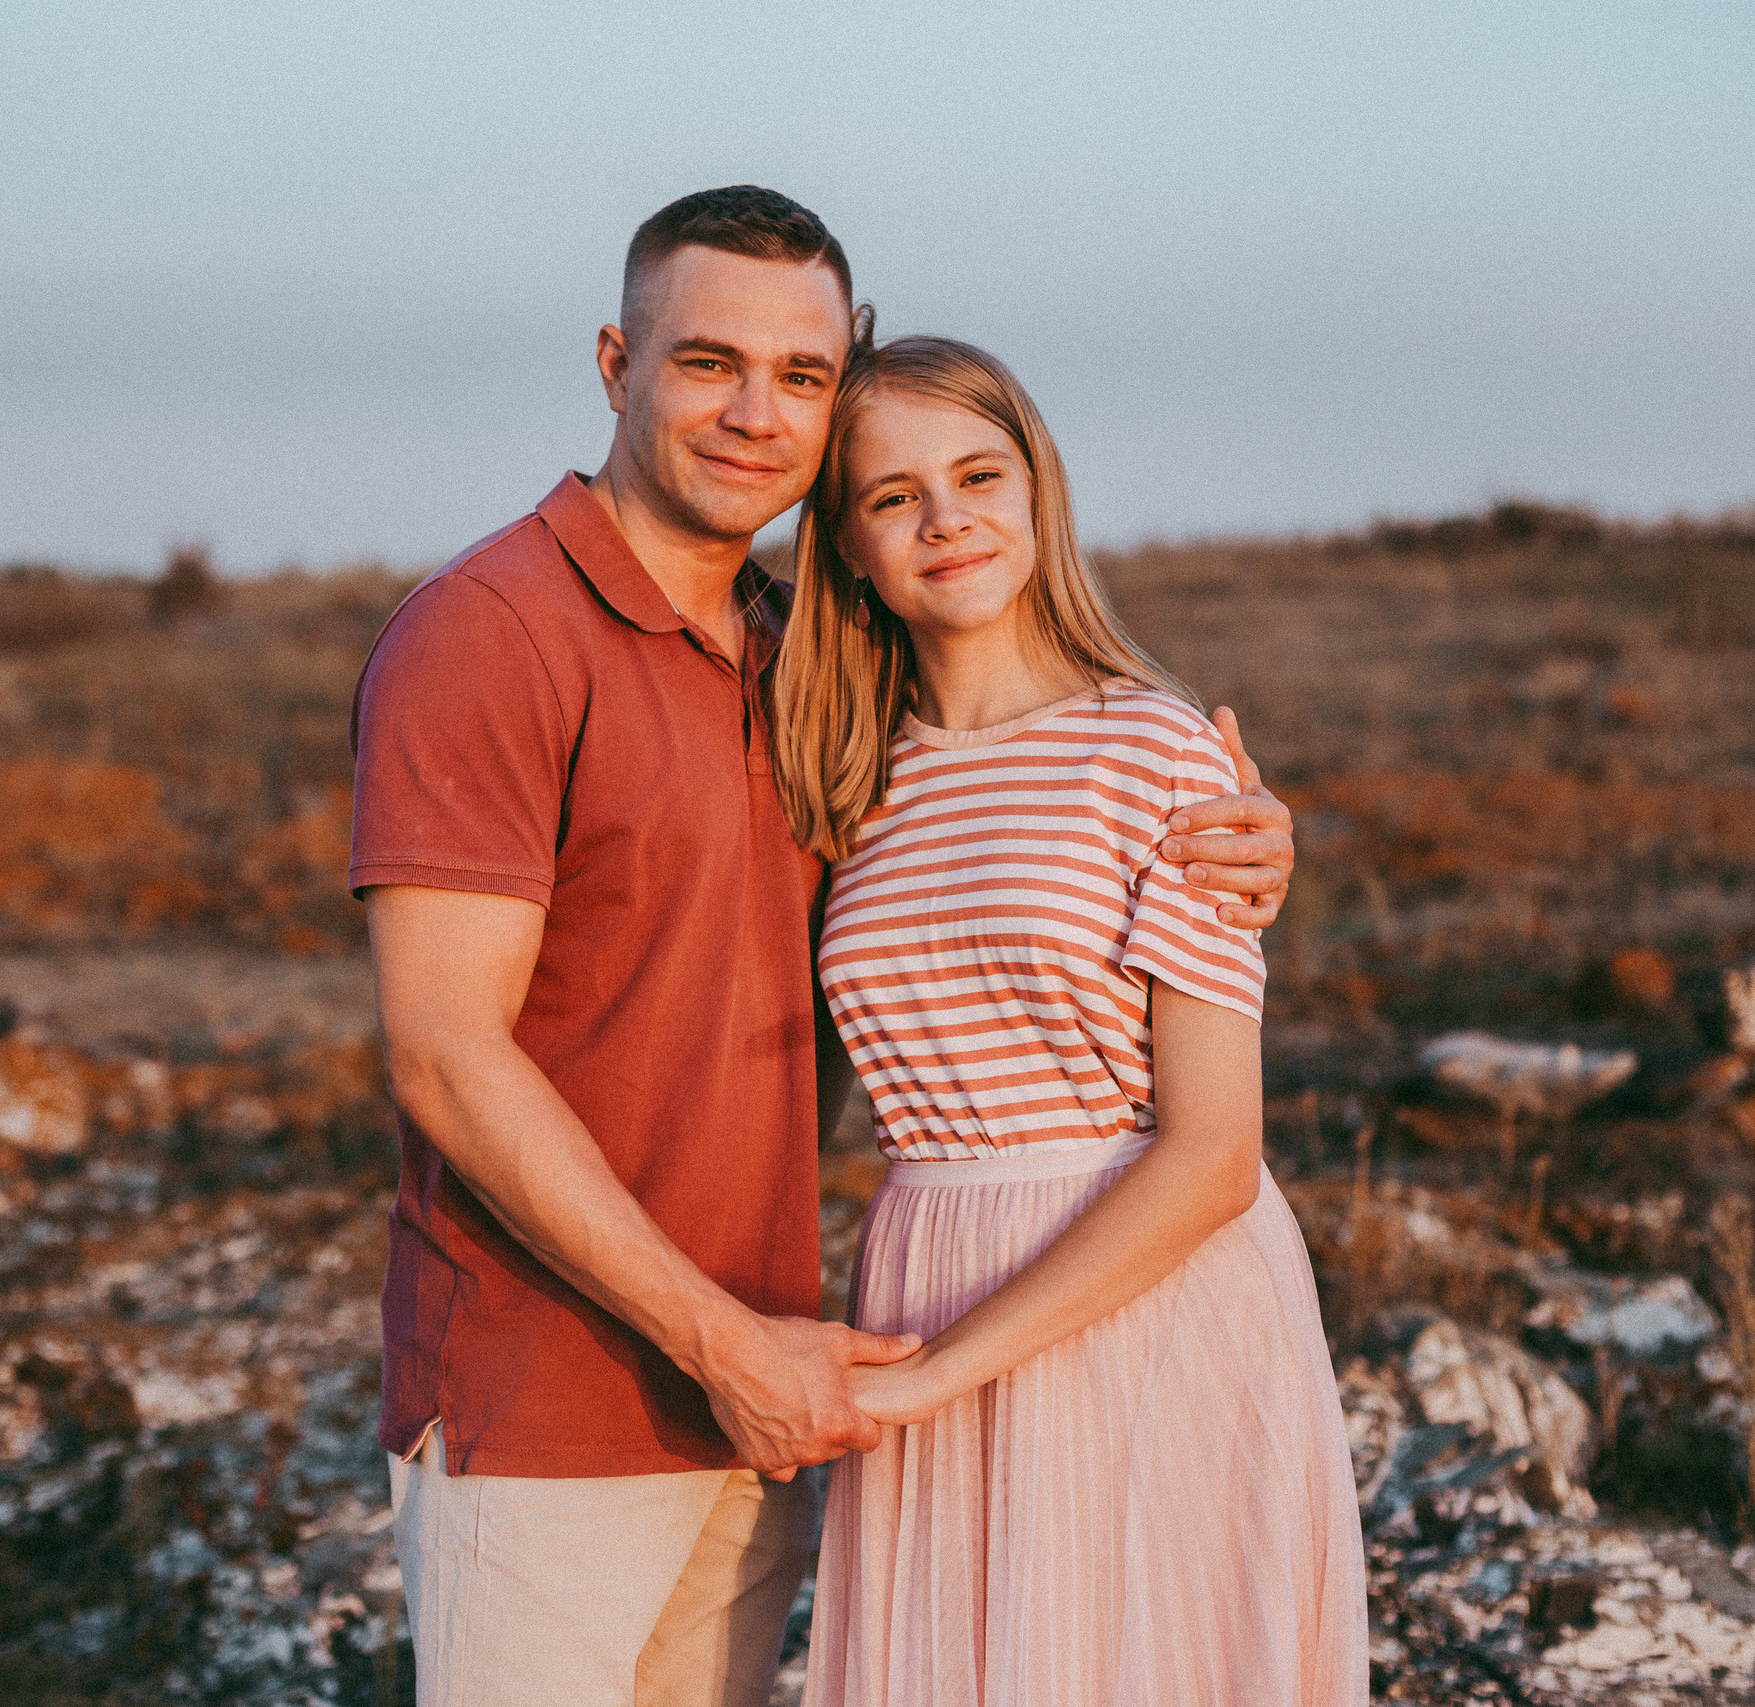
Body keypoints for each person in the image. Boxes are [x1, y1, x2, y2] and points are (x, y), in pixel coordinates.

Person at [350, 187, 1298, 1707]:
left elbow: (1013, 861)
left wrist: (1235, 845)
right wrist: (729, 1345)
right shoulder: (492, 630)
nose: (756, 413)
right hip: (558, 1394)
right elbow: (445, 1057)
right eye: (706, 362)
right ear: (616, 363)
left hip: (786, 1380)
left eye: (800, 375)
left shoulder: (810, 672)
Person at [774, 336, 1367, 1707]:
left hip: (1144, 1294)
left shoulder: (1160, 752)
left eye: (980, 475)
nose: (947, 518)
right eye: (894, 496)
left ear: (1038, 489)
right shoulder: (847, 778)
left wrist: (934, 1379)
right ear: (848, 544)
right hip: (923, 1271)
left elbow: (1213, 1156)